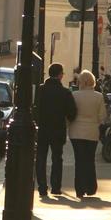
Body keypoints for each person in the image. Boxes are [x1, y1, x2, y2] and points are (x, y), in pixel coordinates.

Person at [35, 62, 76, 197]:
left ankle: (42, 187)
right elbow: (72, 113)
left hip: (42, 129)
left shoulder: (40, 90)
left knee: (41, 157)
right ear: (60, 75)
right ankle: (56, 187)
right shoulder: (65, 92)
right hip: (58, 129)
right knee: (57, 158)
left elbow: (34, 109)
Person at [69, 69, 107, 199]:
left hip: (76, 131)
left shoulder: (75, 95)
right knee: (89, 159)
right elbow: (102, 116)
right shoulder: (99, 96)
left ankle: (79, 188)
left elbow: (70, 113)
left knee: (79, 160)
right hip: (92, 131)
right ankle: (90, 187)